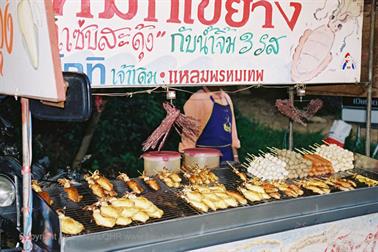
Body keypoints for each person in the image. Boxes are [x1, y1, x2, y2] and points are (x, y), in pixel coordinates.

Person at [179, 87, 240, 162]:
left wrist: (236, 157)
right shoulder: (197, 98)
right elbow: (189, 136)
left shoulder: (226, 97)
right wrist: (188, 161)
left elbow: (233, 131)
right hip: (204, 157)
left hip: (227, 155)